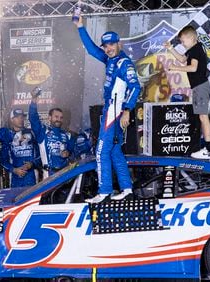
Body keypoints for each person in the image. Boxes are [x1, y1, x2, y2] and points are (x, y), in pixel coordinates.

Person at [74, 14, 141, 203]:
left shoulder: (123, 63)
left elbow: (136, 86)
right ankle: (127, 189)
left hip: (115, 111)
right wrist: (80, 27)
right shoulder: (111, 60)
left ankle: (104, 192)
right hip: (112, 110)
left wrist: (127, 110)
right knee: (114, 151)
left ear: (118, 43)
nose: (109, 48)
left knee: (101, 151)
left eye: (112, 44)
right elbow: (91, 49)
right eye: (106, 46)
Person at [164, 25, 210, 159]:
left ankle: (209, 150)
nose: (182, 43)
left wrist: (175, 68)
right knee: (201, 117)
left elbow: (193, 68)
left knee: (203, 117)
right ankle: (205, 148)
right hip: (198, 87)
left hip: (201, 86)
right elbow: (182, 59)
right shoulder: (194, 49)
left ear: (191, 38)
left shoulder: (196, 49)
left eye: (183, 41)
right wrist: (170, 48)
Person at [29, 95, 74, 177]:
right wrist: (34, 100)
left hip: (64, 174)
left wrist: (68, 152)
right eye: (56, 117)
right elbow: (33, 119)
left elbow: (72, 151)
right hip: (49, 174)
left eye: (61, 118)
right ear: (49, 117)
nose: (59, 120)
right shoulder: (43, 132)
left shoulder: (67, 135)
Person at [0, 109, 41, 188]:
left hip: (32, 177)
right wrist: (14, 170)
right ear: (12, 119)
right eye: (17, 117)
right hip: (15, 178)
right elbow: (3, 159)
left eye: (22, 117)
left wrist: (32, 164)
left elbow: (40, 155)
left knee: (32, 199)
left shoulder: (31, 133)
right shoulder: (7, 135)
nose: (20, 119)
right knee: (15, 199)